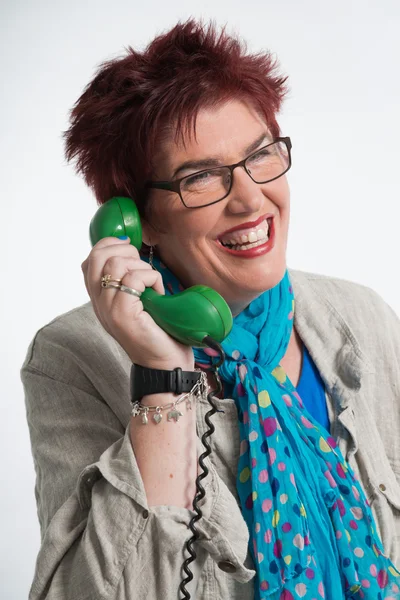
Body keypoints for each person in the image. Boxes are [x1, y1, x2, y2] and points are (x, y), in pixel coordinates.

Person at [21, 19, 400, 600]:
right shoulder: (72, 357)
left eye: (261, 156)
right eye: (201, 178)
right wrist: (162, 382)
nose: (250, 199)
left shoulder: (361, 318)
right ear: (138, 219)